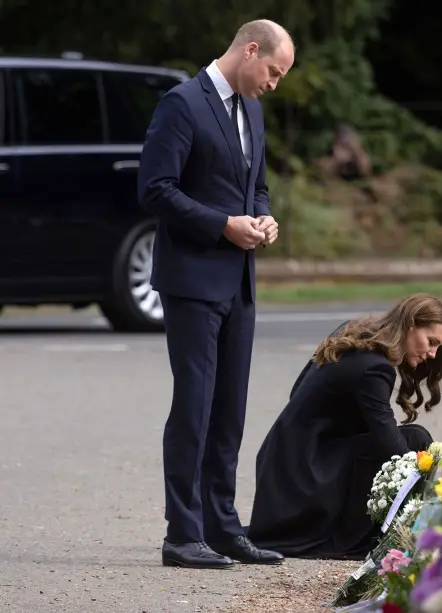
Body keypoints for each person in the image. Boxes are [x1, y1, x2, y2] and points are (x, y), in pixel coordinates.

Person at [137, 20, 294, 569]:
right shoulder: (182, 104)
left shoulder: (252, 108)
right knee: (195, 408)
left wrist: (264, 217)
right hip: (192, 281)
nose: (273, 84)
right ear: (250, 50)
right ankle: (182, 534)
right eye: (273, 71)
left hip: (240, 282)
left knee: (230, 411)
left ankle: (223, 529)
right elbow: (156, 189)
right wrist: (222, 224)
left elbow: (258, 185)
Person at [246, 294, 442, 560]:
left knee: (406, 443)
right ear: (410, 324)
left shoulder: (354, 335)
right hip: (305, 480)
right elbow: (392, 448)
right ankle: (394, 533)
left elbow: (297, 391)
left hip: (285, 469)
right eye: (431, 342)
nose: (432, 354)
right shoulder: (376, 368)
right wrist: (438, 496)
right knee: (416, 442)